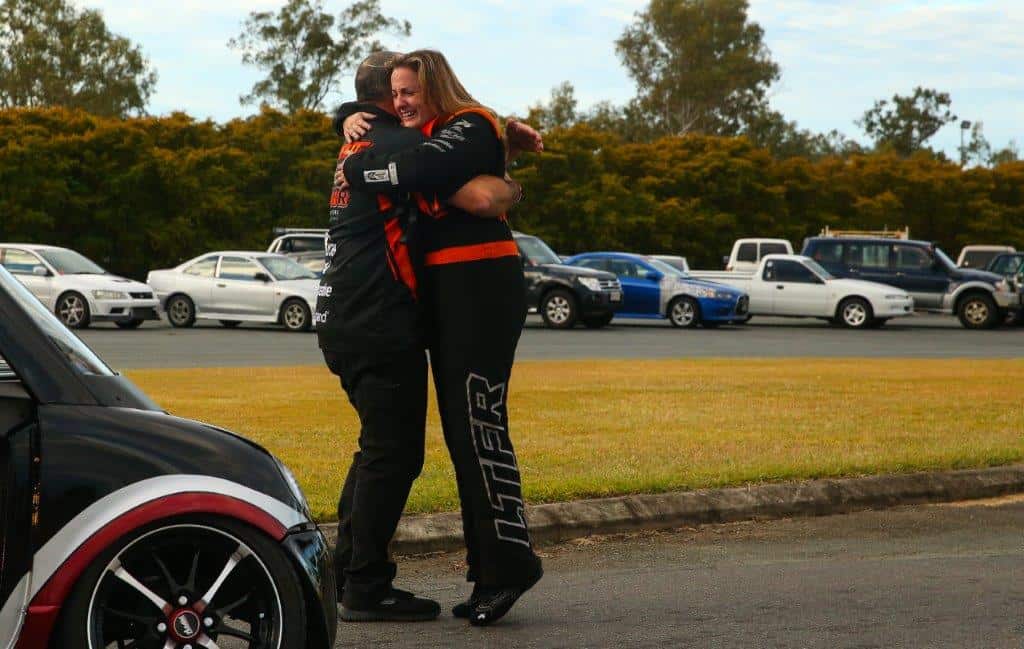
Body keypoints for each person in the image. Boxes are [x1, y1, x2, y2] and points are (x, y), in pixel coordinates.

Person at [335, 49, 544, 626]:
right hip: (439, 295)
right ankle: (483, 566)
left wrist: (370, 167)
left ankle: (507, 570)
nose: (401, 102)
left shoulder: (471, 124)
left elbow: (477, 197)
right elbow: (413, 166)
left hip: (482, 284)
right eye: (394, 93)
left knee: (477, 425)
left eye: (411, 91)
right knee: (457, 429)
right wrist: (348, 120)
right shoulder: (422, 133)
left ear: (436, 87)